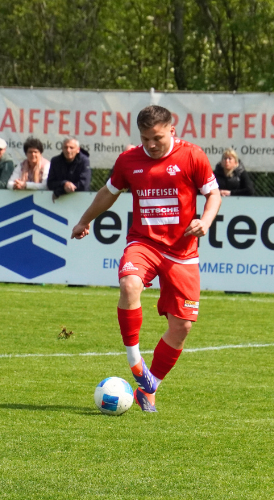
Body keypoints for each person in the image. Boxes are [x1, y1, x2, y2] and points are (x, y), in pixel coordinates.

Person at [71, 105, 222, 413]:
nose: (151, 145)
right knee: (129, 285)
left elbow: (214, 194)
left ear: (172, 130)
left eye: (157, 138)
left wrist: (205, 222)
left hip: (183, 251)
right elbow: (108, 192)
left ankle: (149, 388)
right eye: (145, 138)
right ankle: (134, 361)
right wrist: (85, 220)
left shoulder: (192, 156)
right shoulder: (129, 160)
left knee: (182, 327)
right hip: (144, 243)